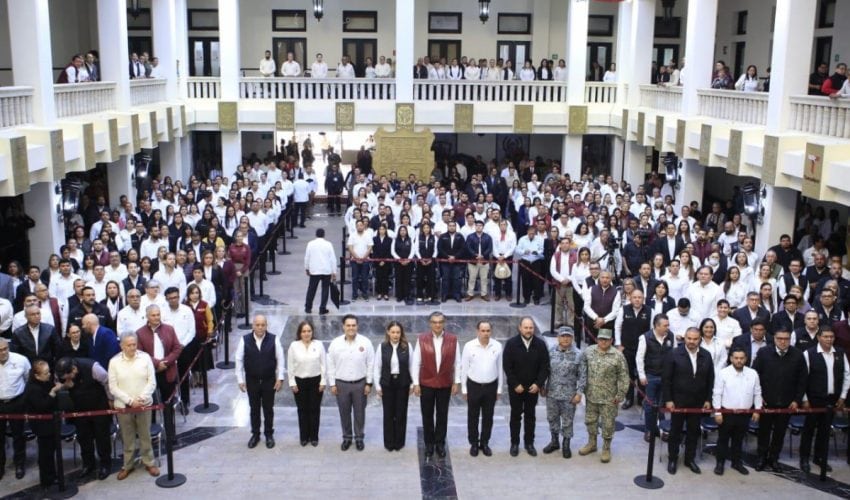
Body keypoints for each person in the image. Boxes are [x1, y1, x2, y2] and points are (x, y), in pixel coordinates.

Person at [751, 328, 807, 472]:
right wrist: (759, 397)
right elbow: (754, 375)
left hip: (787, 403)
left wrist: (797, 400)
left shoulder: (798, 355)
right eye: (780, 338)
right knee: (764, 431)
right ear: (774, 339)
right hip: (766, 401)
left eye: (786, 339)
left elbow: (802, 380)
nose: (783, 341)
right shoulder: (764, 353)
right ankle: (761, 457)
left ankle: (774, 458)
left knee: (780, 433)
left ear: (790, 339)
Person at [663, 327, 714, 475]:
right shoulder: (673, 354)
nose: (692, 341)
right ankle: (673, 459)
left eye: (695, 339)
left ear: (700, 339)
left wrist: (708, 399)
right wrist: (668, 399)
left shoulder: (706, 355)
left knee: (693, 431)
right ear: (684, 338)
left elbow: (710, 379)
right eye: (689, 338)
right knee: (675, 432)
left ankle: (689, 459)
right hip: (678, 401)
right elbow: (666, 379)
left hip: (697, 401)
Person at [108, 332, 159, 480]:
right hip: (124, 407)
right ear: (122, 346)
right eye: (129, 345)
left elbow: (152, 382)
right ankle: (128, 465)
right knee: (127, 437)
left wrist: (141, 398)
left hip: (144, 405)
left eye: (134, 344)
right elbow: (113, 387)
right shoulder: (114, 362)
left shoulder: (145, 358)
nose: (132, 348)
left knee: (145, 435)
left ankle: (149, 462)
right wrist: (130, 401)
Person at [799, 327, 850, 473]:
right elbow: (802, 379)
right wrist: (804, 399)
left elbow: (847, 375)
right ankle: (804, 459)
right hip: (813, 400)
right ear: (819, 337)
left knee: (825, 431)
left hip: (832, 400)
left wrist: (843, 396)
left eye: (831, 337)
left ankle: (819, 458)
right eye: (826, 336)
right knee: (808, 430)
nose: (829, 339)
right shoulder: (809, 353)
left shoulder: (840, 353)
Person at [55, 356, 113, 480]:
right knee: (84, 438)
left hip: (99, 407)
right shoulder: (61, 372)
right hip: (80, 409)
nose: (68, 378)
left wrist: (110, 399)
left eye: (69, 375)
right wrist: (66, 385)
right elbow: (60, 384)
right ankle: (88, 464)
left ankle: (105, 464)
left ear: (74, 369)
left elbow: (107, 381)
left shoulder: (93, 367)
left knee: (102, 437)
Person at [412, 311, 460, 458]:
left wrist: (456, 381)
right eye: (434, 322)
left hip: (445, 383)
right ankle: (429, 444)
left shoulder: (453, 339)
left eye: (440, 322)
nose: (437, 325)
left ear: (444, 323)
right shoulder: (422, 339)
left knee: (442, 415)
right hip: (426, 383)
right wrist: (416, 383)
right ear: (430, 323)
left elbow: (457, 363)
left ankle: (440, 443)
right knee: (427, 415)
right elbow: (416, 362)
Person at [577, 328, 629, 463]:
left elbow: (624, 377)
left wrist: (621, 394)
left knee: (608, 424)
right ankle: (592, 443)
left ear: (611, 340)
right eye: (601, 339)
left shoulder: (618, 356)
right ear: (596, 339)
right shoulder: (589, 352)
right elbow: (582, 371)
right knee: (590, 421)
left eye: (606, 339)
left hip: (609, 399)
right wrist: (580, 389)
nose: (603, 342)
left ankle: (606, 448)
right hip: (591, 396)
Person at [502, 316, 550, 457]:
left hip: (532, 388)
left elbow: (545, 366)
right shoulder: (511, 344)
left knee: (530, 416)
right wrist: (515, 384)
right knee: (515, 416)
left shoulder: (540, 344)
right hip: (516, 388)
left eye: (531, 328)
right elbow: (507, 366)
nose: (528, 330)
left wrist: (538, 384)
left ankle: (529, 443)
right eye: (526, 327)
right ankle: (514, 443)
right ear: (520, 328)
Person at [712, 346, 762, 476]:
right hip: (726, 413)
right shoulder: (723, 373)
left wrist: (757, 410)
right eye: (736, 358)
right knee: (723, 440)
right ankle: (720, 463)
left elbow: (757, 393)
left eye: (741, 358)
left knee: (738, 440)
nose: (739, 360)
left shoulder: (753, 373)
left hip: (745, 414)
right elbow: (717, 393)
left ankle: (736, 463)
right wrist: (717, 412)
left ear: (746, 359)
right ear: (731, 358)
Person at [236, 315, 284, 449]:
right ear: (253, 325)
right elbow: (239, 360)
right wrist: (240, 379)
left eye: (263, 325)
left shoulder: (274, 339)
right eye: (257, 325)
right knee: (254, 409)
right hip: (252, 381)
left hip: (269, 381)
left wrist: (280, 378)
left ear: (266, 326)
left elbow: (280, 359)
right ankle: (255, 434)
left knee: (268, 409)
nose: (260, 327)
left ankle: (269, 434)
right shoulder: (244, 340)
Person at [327, 314, 374, 451]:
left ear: (357, 326)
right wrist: (332, 383)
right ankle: (347, 437)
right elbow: (331, 364)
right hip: (341, 384)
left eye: (353, 325)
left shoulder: (366, 342)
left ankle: (359, 438)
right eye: (348, 325)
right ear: (343, 326)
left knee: (360, 413)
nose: (351, 328)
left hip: (360, 384)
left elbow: (370, 363)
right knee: (344, 412)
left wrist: (369, 383)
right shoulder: (335, 343)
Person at [461, 320, 503, 457]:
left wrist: (499, 389)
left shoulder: (497, 346)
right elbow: (464, 368)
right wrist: (464, 389)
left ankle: (484, 443)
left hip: (491, 386)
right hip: (474, 386)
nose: (485, 333)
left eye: (488, 331)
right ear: (477, 331)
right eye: (483, 331)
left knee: (488, 416)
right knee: (472, 416)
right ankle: (474, 443)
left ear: (491, 331)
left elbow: (500, 368)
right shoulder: (469, 346)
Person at [542, 326, 582, 459]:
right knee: (552, 418)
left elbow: (583, 376)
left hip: (569, 395)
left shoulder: (578, 354)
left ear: (572, 338)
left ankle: (566, 444)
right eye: (563, 336)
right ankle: (554, 442)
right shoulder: (550, 352)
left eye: (568, 336)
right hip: (552, 392)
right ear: (558, 338)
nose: (565, 339)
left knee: (567, 420)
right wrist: (542, 386)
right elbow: (544, 370)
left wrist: (579, 393)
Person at [374, 320, 413, 451]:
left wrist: (412, 384)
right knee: (388, 414)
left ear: (401, 333)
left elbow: (411, 366)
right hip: (387, 383)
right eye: (393, 332)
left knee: (401, 413)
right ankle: (389, 443)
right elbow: (377, 368)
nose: (395, 335)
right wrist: (378, 386)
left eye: (398, 332)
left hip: (403, 383)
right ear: (388, 333)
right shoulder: (382, 347)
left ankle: (399, 442)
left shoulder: (407, 346)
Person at [135, 305, 182, 411]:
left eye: (158, 315)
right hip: (149, 372)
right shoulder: (139, 333)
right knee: (151, 404)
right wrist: (157, 363)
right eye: (153, 315)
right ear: (147, 316)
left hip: (168, 370)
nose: (156, 317)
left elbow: (177, 348)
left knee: (168, 403)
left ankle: (169, 421)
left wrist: (165, 362)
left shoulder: (169, 329)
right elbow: (140, 353)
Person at [23, 360, 61, 489]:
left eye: (49, 371)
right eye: (45, 373)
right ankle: (47, 479)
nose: (49, 374)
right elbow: (42, 406)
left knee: (51, 451)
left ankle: (52, 475)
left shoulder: (45, 382)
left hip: (51, 422)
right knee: (46, 453)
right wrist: (53, 392)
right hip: (42, 425)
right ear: (37, 376)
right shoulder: (32, 388)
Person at [287, 321, 326, 447]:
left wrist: (323, 381)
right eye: (304, 331)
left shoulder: (318, 345)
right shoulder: (294, 346)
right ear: (299, 333)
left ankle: (314, 437)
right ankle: (304, 437)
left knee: (315, 409)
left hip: (316, 381)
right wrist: (292, 383)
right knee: (302, 410)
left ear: (312, 332)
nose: (306, 333)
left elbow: (323, 364)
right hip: (300, 382)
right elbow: (290, 366)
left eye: (309, 331)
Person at [637, 314, 675, 442]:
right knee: (650, 405)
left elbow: (674, 355)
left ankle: (662, 429)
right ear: (656, 326)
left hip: (666, 377)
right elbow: (639, 358)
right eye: (665, 325)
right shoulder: (645, 337)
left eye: (668, 325)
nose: (667, 328)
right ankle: (649, 429)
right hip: (651, 376)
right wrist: (642, 375)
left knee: (662, 405)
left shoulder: (671, 336)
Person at [614, 289, 650, 410]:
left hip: (643, 349)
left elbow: (652, 330)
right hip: (627, 348)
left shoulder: (650, 311)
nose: (637, 299)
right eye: (635, 297)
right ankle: (628, 398)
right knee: (628, 374)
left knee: (641, 373)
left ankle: (641, 398)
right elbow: (617, 327)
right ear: (630, 298)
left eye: (639, 297)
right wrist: (618, 344)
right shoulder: (623, 309)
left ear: (643, 299)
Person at [0, 337, 30, 481]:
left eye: (5, 349)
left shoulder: (21, 360)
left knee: (18, 436)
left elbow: (28, 379)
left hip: (17, 402)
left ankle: (20, 464)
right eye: (0, 350)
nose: (3, 352)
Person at [303, 228, 336, 315]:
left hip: (315, 270)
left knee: (311, 289)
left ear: (316, 234)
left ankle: (308, 307)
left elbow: (307, 257)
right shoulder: (328, 244)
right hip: (326, 270)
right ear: (324, 235)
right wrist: (334, 271)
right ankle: (322, 308)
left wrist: (307, 268)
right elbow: (332, 259)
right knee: (325, 289)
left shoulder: (310, 244)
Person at [465, 220, 493, 301]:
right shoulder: (470, 237)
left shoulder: (488, 237)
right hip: (473, 261)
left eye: (480, 226)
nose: (478, 227)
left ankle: (484, 294)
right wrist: (475, 255)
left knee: (484, 279)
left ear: (483, 227)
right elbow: (468, 247)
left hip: (484, 261)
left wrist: (483, 255)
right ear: (475, 226)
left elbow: (490, 248)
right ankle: (470, 294)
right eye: (477, 225)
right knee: (471, 278)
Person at [437, 220, 465, 302]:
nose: (452, 227)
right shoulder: (442, 236)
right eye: (450, 226)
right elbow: (440, 248)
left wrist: (455, 257)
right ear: (447, 227)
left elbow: (463, 248)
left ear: (455, 227)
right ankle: (445, 294)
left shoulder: (460, 236)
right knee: (445, 278)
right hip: (445, 261)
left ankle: (457, 294)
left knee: (457, 279)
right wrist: (447, 257)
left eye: (453, 226)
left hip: (457, 261)